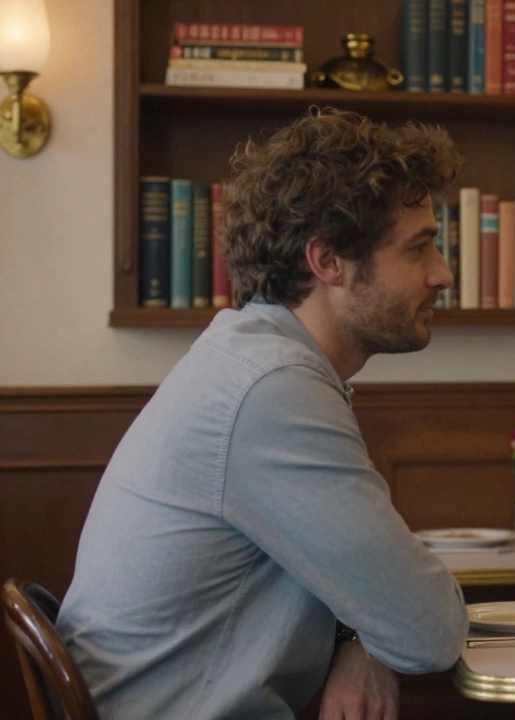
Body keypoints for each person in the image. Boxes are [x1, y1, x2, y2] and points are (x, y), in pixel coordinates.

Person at [55, 108, 469, 719]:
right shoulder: (273, 389)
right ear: (328, 261)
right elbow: (428, 630)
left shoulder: (253, 357)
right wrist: (379, 632)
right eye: (419, 248)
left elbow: (389, 605)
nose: (443, 273)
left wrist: (363, 640)